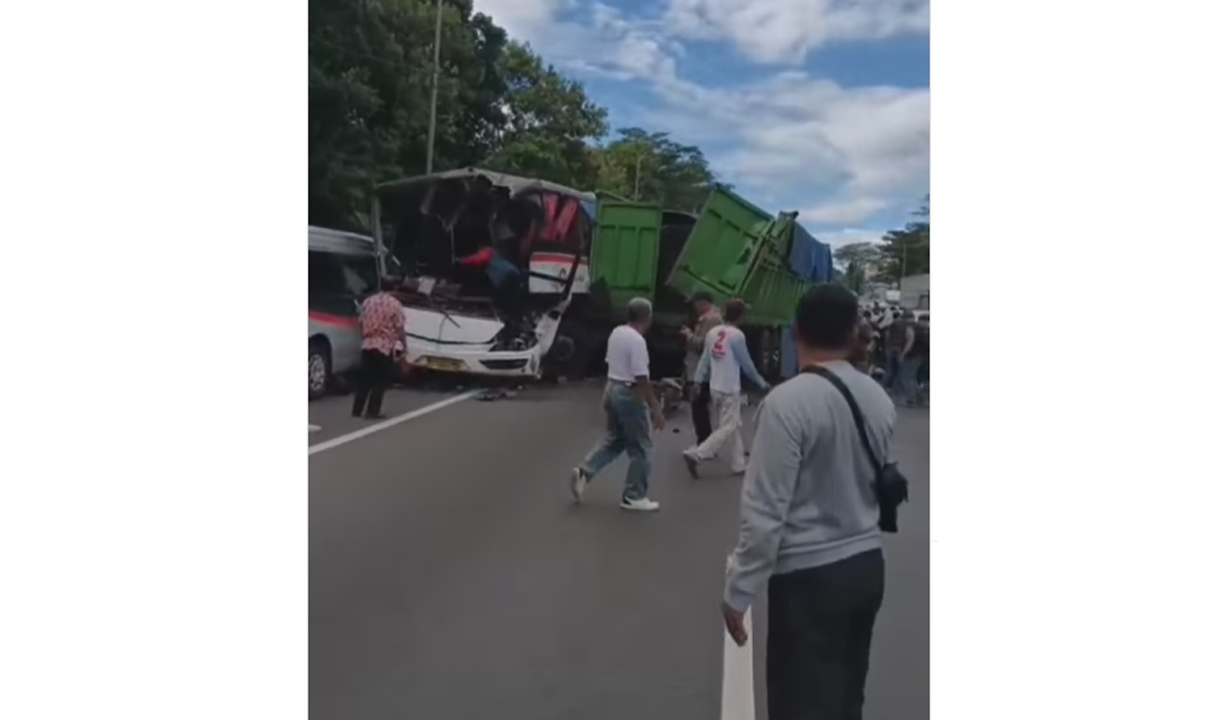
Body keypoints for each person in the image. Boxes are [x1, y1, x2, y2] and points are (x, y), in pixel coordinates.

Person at [721, 283, 895, 720]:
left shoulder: (787, 404)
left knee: (800, 703)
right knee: (845, 696)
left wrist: (738, 590)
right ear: (852, 332)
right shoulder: (877, 397)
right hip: (866, 567)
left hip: (809, 580)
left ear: (795, 331)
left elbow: (765, 510)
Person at [569, 298, 666, 512]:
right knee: (642, 446)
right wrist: (655, 406)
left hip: (611, 387)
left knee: (616, 437)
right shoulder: (637, 341)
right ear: (647, 318)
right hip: (630, 392)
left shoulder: (617, 332)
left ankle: (585, 471)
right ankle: (634, 495)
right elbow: (642, 377)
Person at [682, 299, 769, 477]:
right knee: (728, 426)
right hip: (730, 387)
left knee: (732, 424)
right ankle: (697, 454)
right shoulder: (737, 336)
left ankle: (738, 464)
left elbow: (705, 360)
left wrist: (698, 382)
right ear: (741, 316)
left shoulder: (713, 333)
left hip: (715, 386)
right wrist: (761, 383)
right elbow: (747, 364)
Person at [351, 277, 408, 420]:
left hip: (367, 344)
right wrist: (404, 345)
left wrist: (364, 338)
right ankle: (372, 411)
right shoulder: (395, 304)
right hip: (384, 347)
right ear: (393, 288)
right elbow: (399, 327)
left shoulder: (368, 302)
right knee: (380, 381)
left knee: (364, 379)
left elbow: (361, 322)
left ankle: (357, 410)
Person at [682, 290, 722, 444]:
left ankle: (704, 442)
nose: (694, 307)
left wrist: (689, 335)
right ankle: (705, 442)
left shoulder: (710, 320)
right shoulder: (712, 318)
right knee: (700, 407)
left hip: (702, 370)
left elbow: (702, 345)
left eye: (695, 303)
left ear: (703, 302)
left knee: (699, 407)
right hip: (703, 369)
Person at [456, 244, 523, 322]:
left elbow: (479, 259)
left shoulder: (488, 253)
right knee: (509, 304)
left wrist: (460, 261)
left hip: (503, 279)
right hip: (512, 278)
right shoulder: (500, 258)